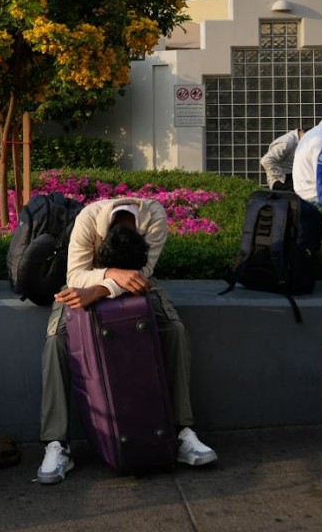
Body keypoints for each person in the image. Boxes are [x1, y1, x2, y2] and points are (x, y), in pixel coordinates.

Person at [37, 197, 217, 484]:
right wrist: (109, 274)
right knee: (55, 342)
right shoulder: (88, 218)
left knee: (174, 330)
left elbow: (143, 272)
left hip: (136, 283)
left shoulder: (155, 215)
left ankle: (182, 432)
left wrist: (104, 289)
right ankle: (56, 444)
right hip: (82, 283)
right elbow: (75, 274)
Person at [260, 126, 306, 190]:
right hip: (281, 180)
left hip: (293, 176)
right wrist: (282, 177)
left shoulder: (300, 142)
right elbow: (266, 160)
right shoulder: (287, 143)